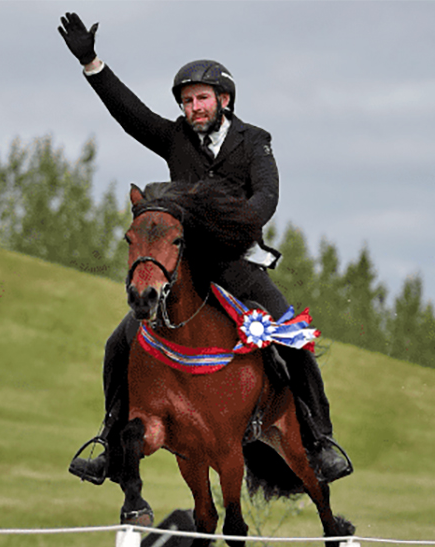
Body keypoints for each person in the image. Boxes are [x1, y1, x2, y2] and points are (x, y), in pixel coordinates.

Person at [59, 12, 352, 493]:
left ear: (223, 101)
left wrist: (235, 228)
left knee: (295, 341)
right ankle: (109, 444)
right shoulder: (174, 137)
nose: (194, 107)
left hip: (237, 267)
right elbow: (130, 114)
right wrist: (92, 62)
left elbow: (267, 196)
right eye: (187, 100)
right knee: (118, 343)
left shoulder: (254, 141)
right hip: (184, 271)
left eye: (201, 99)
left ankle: (320, 440)